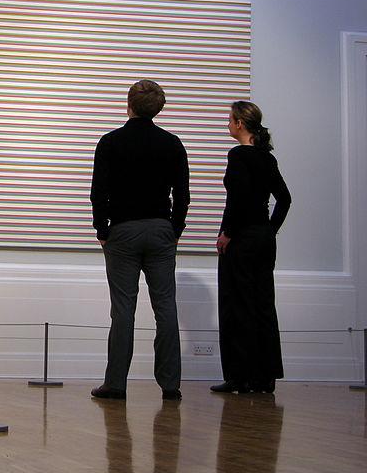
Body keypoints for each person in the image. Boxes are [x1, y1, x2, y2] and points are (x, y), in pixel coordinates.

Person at [90, 79, 190, 401]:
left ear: (128, 104)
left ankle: (116, 383)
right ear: (158, 108)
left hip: (122, 231)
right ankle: (170, 385)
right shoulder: (173, 144)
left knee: (123, 310)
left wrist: (102, 231)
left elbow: (98, 193)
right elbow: (183, 195)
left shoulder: (110, 142)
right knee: (166, 306)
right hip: (161, 230)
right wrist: (175, 229)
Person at [212, 101, 291, 394]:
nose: (228, 124)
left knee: (237, 304)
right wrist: (269, 229)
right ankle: (265, 376)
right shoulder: (267, 158)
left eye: (230, 120)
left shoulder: (239, 155)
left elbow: (238, 198)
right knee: (262, 305)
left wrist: (227, 233)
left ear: (240, 124)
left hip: (242, 240)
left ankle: (239, 377)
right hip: (263, 240)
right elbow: (285, 198)